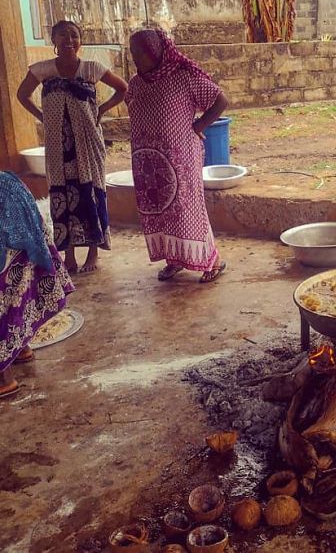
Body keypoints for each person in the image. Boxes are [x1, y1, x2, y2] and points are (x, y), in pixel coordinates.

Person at [17, 20, 128, 274]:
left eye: (74, 36)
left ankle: (93, 251)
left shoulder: (91, 68)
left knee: (90, 192)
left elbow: (123, 88)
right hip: (57, 146)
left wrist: (102, 109)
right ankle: (68, 254)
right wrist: (41, 116)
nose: (69, 40)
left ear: (81, 41)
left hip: (88, 144)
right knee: (62, 195)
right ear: (53, 41)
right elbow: (22, 95)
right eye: (63, 36)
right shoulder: (42, 70)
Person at [126, 28, 229, 283]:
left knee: (187, 208)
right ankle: (174, 258)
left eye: (140, 51)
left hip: (180, 158)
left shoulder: (182, 77)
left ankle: (211, 259)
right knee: (160, 210)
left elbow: (220, 100)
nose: (135, 57)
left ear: (156, 51)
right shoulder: (136, 83)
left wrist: (198, 126)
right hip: (147, 162)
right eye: (132, 52)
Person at [0, 172, 75, 399]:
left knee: (7, 287)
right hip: (12, 190)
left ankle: (3, 378)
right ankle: (21, 348)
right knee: (18, 279)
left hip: (8, 207)